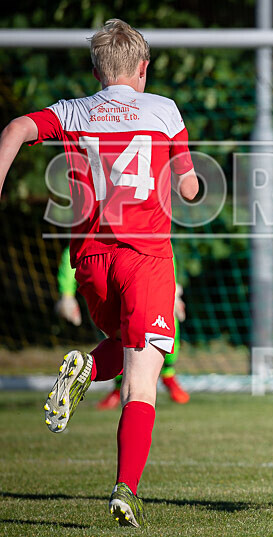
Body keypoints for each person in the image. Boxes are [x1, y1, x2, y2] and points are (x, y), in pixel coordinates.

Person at [0, 19, 199, 527]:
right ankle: (125, 489)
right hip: (146, 256)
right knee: (143, 378)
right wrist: (184, 181)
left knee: (127, 343)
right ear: (143, 69)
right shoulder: (164, 110)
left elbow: (16, 129)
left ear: (95, 70)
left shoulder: (73, 111)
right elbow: (191, 187)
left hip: (90, 262)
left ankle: (88, 369)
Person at [56, 247, 191, 407]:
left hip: (103, 270)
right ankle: (108, 380)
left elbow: (74, 250)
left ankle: (87, 370)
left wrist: (67, 295)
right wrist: (67, 295)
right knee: (141, 388)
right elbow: (163, 248)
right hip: (138, 269)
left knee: (119, 338)